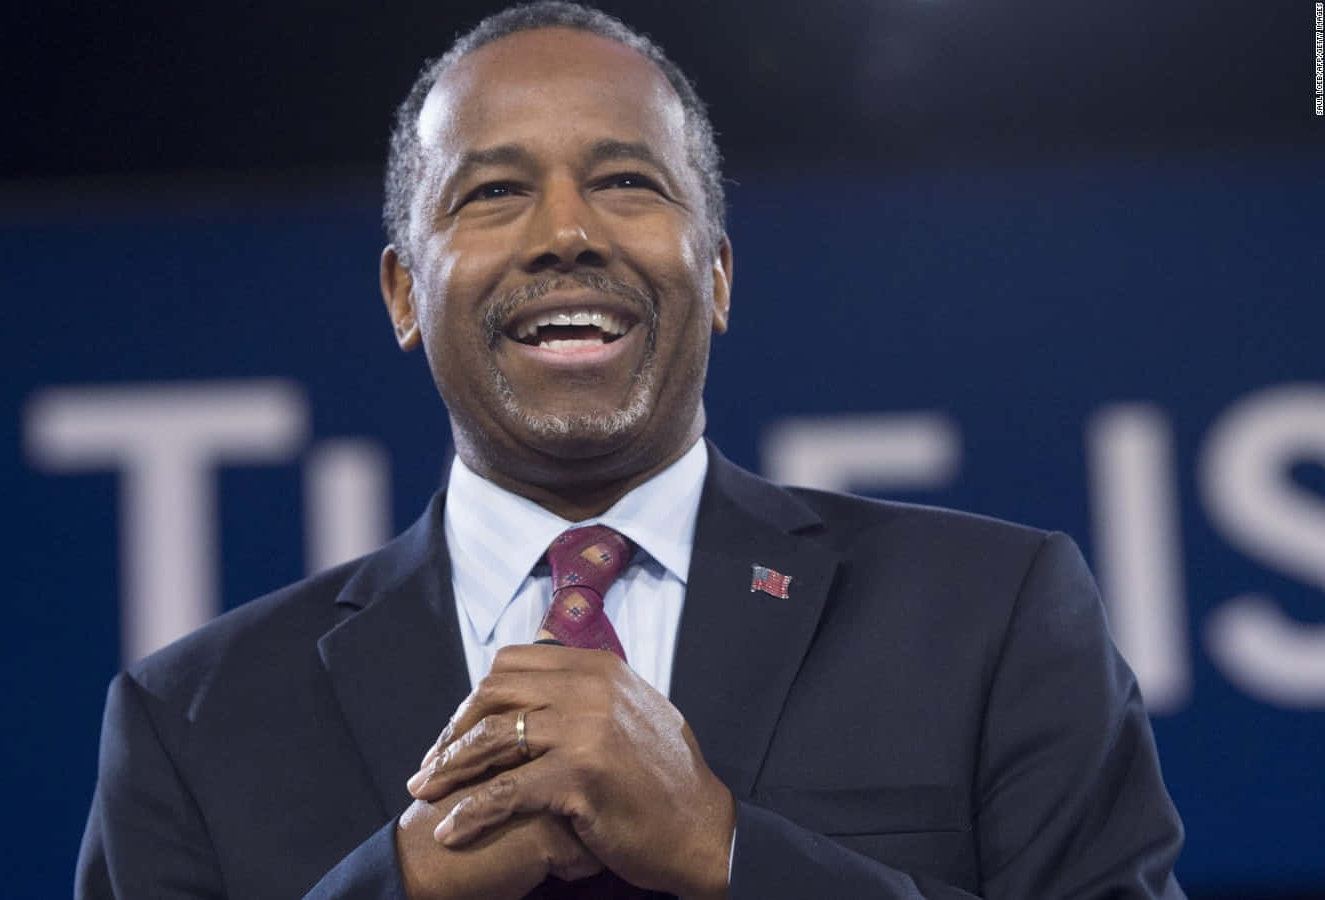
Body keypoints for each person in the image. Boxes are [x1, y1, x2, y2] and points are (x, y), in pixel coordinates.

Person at [75, 3, 1186, 898]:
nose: (567, 233)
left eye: (625, 183)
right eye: (494, 191)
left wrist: (728, 852)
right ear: (405, 293)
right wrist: (402, 885)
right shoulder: (191, 725)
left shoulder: (988, 615)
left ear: (718, 274)